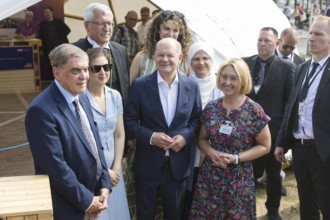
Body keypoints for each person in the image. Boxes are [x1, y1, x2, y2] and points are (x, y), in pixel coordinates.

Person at [25, 44, 111, 220]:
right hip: (66, 207)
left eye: (86, 69)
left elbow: (95, 144)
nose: (84, 76)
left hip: (94, 199)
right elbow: (56, 168)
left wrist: (104, 183)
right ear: (56, 72)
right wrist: (88, 201)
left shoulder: (82, 97)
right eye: (75, 71)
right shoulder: (41, 111)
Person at [124, 38, 202, 220]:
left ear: (180, 57)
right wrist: (151, 137)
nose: (164, 59)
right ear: (154, 56)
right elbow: (129, 121)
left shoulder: (191, 86)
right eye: (160, 55)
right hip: (147, 164)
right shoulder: (140, 85)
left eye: (170, 55)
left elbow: (196, 120)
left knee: (174, 214)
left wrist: (184, 137)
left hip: (178, 165)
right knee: (145, 214)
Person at [189, 58, 271, 219]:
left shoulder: (253, 110)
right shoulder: (212, 108)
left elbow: (265, 146)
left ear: (243, 80)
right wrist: (212, 153)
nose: (227, 82)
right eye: (224, 77)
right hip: (210, 177)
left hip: (239, 178)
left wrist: (236, 158)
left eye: (233, 78)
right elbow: (202, 139)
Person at [275, 15, 330, 220]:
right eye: (311, 33)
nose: (312, 38)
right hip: (300, 149)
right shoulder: (303, 68)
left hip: (323, 151)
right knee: (307, 206)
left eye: (318, 34)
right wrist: (281, 142)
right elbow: (292, 107)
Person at [242, 27, 296, 220]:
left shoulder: (287, 68)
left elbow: (290, 102)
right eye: (259, 40)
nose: (262, 44)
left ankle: (272, 209)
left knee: (273, 173)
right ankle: (244, 207)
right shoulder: (245, 63)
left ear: (277, 43)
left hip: (273, 130)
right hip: (245, 129)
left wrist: (285, 135)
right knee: (246, 170)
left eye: (266, 40)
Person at [85, 48, 130, 220]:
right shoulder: (81, 99)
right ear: (88, 71)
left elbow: (119, 134)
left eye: (107, 66)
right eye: (96, 68)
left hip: (114, 169)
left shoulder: (115, 96)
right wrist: (104, 171)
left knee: (117, 213)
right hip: (93, 168)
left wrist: (116, 167)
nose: (103, 72)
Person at [181, 41, 223, 219]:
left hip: (215, 148)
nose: (201, 62)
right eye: (196, 58)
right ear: (190, 61)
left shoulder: (222, 84)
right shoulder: (184, 84)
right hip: (188, 146)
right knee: (189, 192)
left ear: (212, 60)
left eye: (205, 58)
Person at [72, 3, 130, 106]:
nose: (106, 28)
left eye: (110, 23)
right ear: (87, 26)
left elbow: (125, 87)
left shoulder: (121, 50)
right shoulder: (73, 51)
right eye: (101, 23)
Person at [130, 10, 193, 82]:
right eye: (166, 29)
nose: (170, 34)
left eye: (175, 30)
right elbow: (129, 88)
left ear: (180, 34)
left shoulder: (186, 60)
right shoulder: (141, 57)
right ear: (157, 30)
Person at [39, 6, 71, 80]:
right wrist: (41, 49)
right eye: (44, 12)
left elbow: (67, 30)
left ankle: (62, 80)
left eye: (47, 12)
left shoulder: (58, 22)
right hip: (47, 49)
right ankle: (53, 81)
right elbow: (41, 38)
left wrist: (61, 38)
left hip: (59, 49)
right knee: (50, 66)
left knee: (60, 65)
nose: (46, 14)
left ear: (51, 13)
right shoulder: (42, 24)